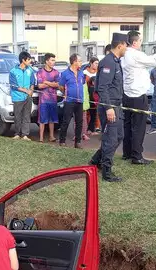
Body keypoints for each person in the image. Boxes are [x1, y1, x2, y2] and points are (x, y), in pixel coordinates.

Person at [121, 30, 156, 165]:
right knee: (139, 127)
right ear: (135, 42)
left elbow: (150, 59)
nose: (141, 43)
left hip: (127, 94)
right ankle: (137, 156)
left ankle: (127, 152)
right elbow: (155, 61)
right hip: (138, 96)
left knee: (128, 125)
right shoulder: (136, 54)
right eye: (140, 41)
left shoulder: (125, 55)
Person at [89, 33, 129, 182]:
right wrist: (108, 108)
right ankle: (106, 171)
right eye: (126, 45)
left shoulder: (116, 61)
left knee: (119, 136)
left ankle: (96, 160)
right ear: (120, 45)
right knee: (111, 138)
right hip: (109, 106)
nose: (126, 49)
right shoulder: (108, 62)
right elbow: (102, 87)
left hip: (116, 105)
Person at [59, 53, 86, 149]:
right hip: (69, 101)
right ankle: (62, 140)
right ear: (74, 62)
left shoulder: (81, 72)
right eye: (80, 61)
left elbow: (82, 83)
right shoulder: (65, 73)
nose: (81, 63)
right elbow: (61, 86)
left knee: (79, 121)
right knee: (66, 121)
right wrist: (66, 94)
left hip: (80, 101)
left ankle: (78, 142)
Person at [9, 51, 35, 140]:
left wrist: (31, 90)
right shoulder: (13, 71)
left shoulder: (30, 70)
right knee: (17, 116)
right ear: (23, 60)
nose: (30, 61)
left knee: (26, 115)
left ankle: (25, 135)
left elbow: (32, 82)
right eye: (28, 59)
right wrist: (26, 91)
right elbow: (14, 85)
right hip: (17, 97)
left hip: (28, 97)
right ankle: (17, 133)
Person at [35, 52, 60, 142]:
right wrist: (51, 84)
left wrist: (47, 82)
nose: (54, 62)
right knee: (42, 119)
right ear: (47, 61)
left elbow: (57, 85)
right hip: (43, 100)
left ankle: (51, 136)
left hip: (53, 99)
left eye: (54, 60)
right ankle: (41, 138)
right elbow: (40, 86)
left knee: (52, 119)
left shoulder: (56, 72)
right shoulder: (40, 72)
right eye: (52, 60)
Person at [84, 57, 101, 135]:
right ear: (91, 63)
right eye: (95, 63)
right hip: (88, 96)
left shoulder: (99, 72)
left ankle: (96, 128)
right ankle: (87, 129)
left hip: (97, 97)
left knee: (96, 114)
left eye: (98, 63)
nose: (97, 65)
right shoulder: (85, 73)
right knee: (88, 114)